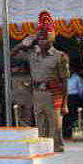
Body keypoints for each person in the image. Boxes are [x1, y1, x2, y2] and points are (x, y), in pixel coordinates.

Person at [12, 10, 69, 152]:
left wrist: (65, 104)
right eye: (39, 38)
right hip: (37, 94)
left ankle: (56, 154)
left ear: (51, 38)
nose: (42, 41)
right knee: (41, 127)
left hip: (53, 94)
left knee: (55, 128)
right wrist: (22, 44)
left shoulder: (60, 56)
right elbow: (12, 55)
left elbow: (65, 81)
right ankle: (43, 154)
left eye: (45, 38)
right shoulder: (32, 54)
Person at [64, 63, 83, 136]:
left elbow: (81, 89)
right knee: (66, 114)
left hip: (74, 98)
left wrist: (78, 98)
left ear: (72, 70)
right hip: (66, 97)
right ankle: (66, 131)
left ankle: (73, 130)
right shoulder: (65, 78)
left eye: (69, 70)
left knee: (73, 115)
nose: (68, 71)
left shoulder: (77, 78)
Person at [12, 62, 34, 127]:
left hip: (28, 99)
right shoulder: (14, 76)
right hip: (18, 99)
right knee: (18, 116)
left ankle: (26, 128)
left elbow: (30, 86)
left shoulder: (30, 76)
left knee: (27, 116)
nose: (21, 69)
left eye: (22, 67)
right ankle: (21, 127)